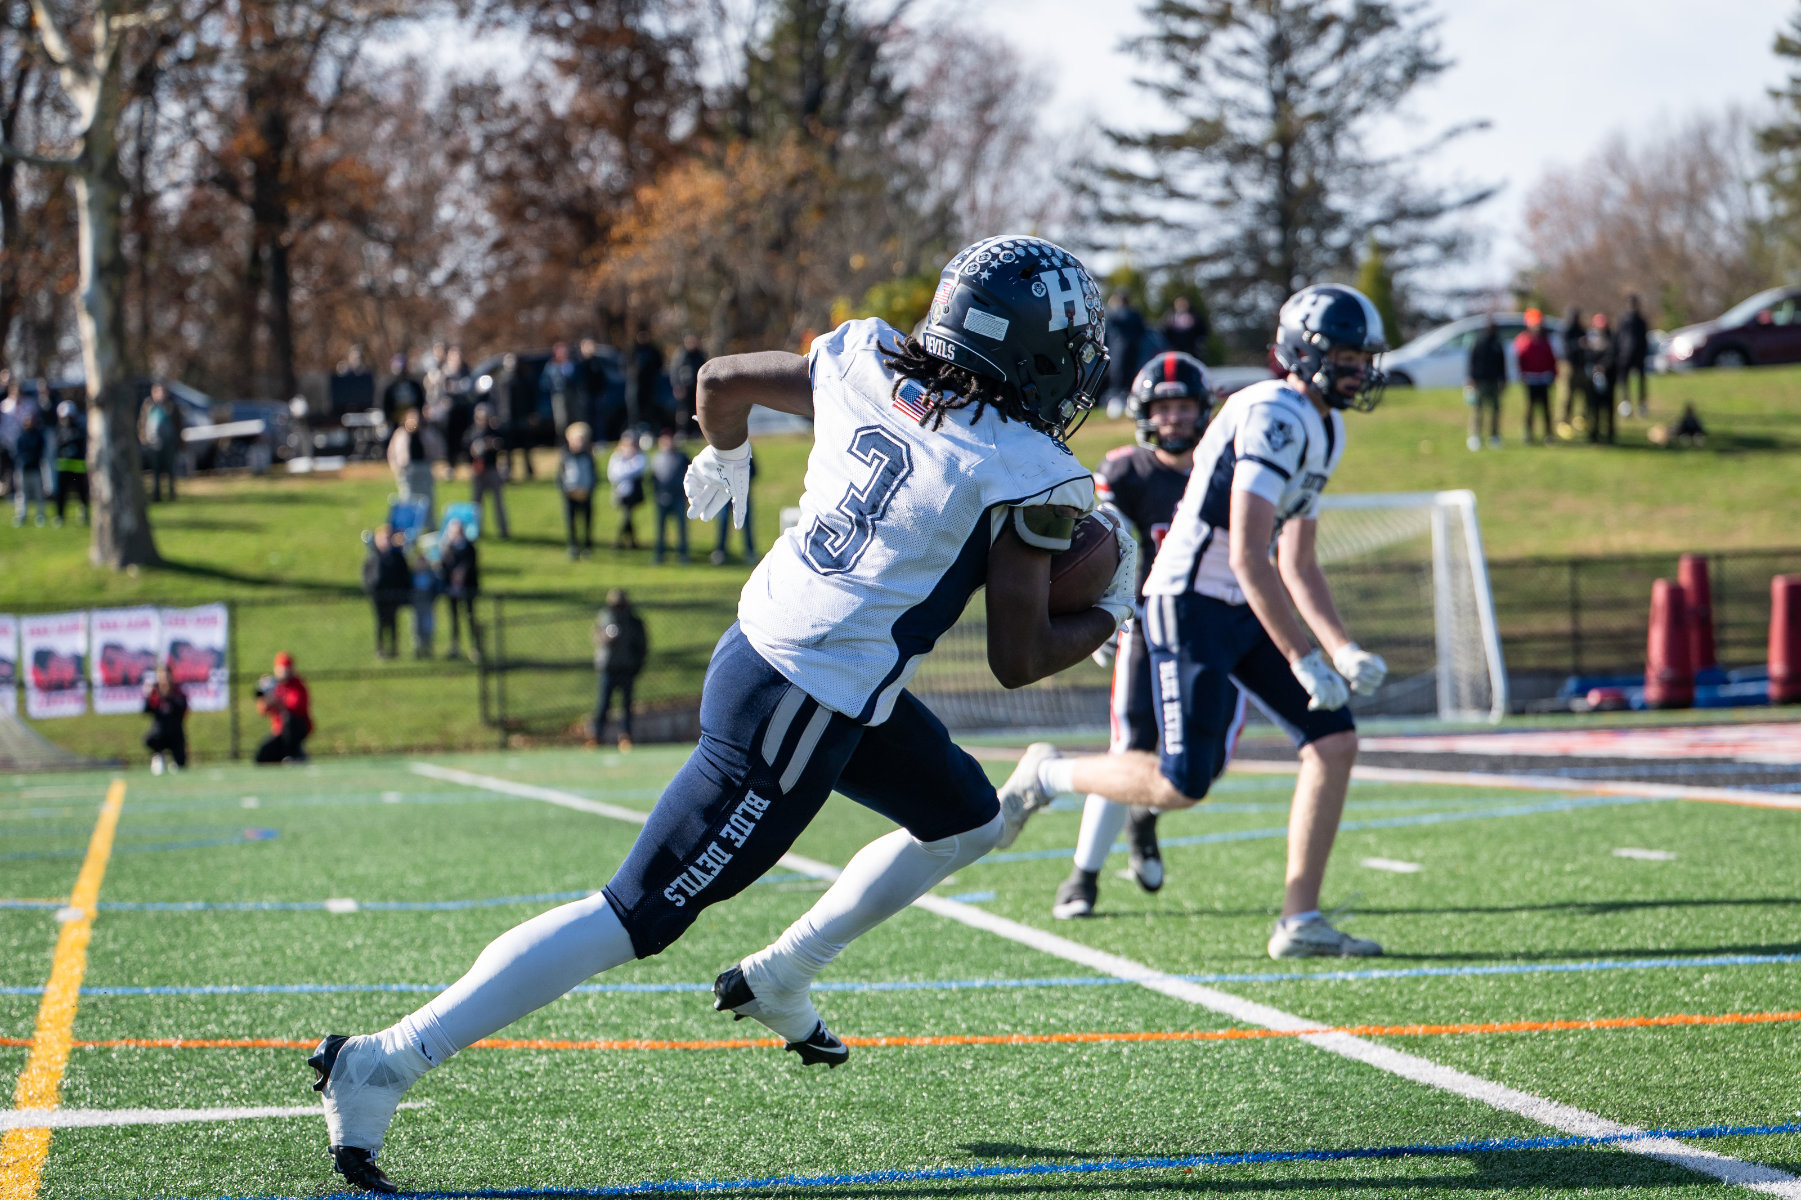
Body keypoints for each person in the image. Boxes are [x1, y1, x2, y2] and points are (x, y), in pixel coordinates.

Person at [307, 234, 1131, 1194]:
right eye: (1068, 348)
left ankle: (785, 972)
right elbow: (1017, 656)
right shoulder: (1025, 464)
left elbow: (719, 379)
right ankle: (385, 1060)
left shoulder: (865, 358)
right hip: (803, 703)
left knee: (968, 820)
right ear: (1030, 351)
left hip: (774, 650)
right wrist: (1114, 606)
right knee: (635, 914)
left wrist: (725, 456)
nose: (1076, 369)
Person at [1002, 283, 1392, 960]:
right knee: (1182, 782)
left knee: (1333, 741)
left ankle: (1299, 920)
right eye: (1349, 356)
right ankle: (1048, 774)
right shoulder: (1273, 413)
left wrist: (1342, 647)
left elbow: (1295, 562)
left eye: (1365, 357)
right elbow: (1246, 553)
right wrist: (1303, 659)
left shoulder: (1325, 425)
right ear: (1305, 354)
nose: (1361, 370)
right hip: (1186, 601)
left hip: (1242, 603)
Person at [1052, 351, 1213, 921]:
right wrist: (1108, 613)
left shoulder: (1223, 471)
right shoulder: (1126, 471)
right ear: (1147, 413)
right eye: (1163, 407)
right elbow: (1108, 547)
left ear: (1202, 410)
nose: (1173, 418)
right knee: (1128, 749)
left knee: (1202, 765)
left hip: (1211, 629)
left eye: (1184, 406)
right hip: (1145, 626)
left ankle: (1144, 817)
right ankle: (1084, 878)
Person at [590, 588, 647, 751]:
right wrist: (606, 638)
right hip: (608, 667)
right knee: (603, 704)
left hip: (627, 668)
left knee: (626, 706)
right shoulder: (605, 617)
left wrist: (637, 664)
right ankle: (597, 735)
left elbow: (642, 645)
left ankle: (625, 736)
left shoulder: (634, 621)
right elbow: (596, 636)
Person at [363, 525, 411, 659]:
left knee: (394, 621)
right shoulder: (373, 557)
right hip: (378, 596)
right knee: (380, 622)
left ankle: (394, 648)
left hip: (394, 595)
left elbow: (405, 575)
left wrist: (403, 592)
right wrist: (370, 590)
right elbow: (367, 576)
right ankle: (380, 648)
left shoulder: (397, 557)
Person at [255, 651, 311, 764]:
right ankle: (284, 755)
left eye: (286, 668)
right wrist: (266, 699)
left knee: (289, 719)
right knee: (262, 756)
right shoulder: (275, 686)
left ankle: (295, 753)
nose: (283, 672)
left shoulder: (297, 685)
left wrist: (278, 702)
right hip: (279, 731)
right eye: (281, 668)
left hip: (297, 727)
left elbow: (295, 708)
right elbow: (262, 710)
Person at [437, 518, 481, 661]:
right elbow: (443, 568)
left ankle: (476, 647)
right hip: (452, 591)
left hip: (468, 589)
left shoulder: (470, 547)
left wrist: (462, 574)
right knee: (454, 618)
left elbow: (472, 566)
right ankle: (455, 646)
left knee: (470, 617)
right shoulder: (447, 548)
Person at [463, 404, 509, 539]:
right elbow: (465, 449)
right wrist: (472, 450)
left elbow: (504, 443)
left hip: (492, 469)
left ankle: (503, 530)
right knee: (476, 503)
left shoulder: (494, 430)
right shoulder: (472, 432)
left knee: (498, 502)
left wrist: (492, 444)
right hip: (477, 471)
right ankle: (475, 530)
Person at [1514, 309, 1558, 445]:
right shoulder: (1523, 340)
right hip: (1530, 379)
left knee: (1546, 408)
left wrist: (1553, 374)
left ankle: (1548, 435)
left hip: (1544, 379)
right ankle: (1528, 435)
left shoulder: (1545, 340)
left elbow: (1552, 359)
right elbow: (1520, 359)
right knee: (1530, 409)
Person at [387, 408, 435, 531]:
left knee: (427, 499)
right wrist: (396, 467)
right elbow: (392, 452)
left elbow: (435, 447)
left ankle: (429, 526)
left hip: (423, 468)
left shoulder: (425, 433)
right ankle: (407, 528)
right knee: (407, 499)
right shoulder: (400, 434)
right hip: (407, 470)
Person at [1464, 315, 1506, 451]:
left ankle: (1494, 435)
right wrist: (1471, 378)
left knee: (1495, 410)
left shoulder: (1497, 343)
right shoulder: (1479, 342)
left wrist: (1503, 379)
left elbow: (1502, 364)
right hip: (1480, 381)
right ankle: (1475, 436)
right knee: (1478, 409)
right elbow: (1472, 361)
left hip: (1494, 381)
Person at [649, 429, 690, 564]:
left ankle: (683, 554)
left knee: (681, 528)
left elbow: (690, 477)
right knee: (661, 529)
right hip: (661, 497)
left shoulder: (682, 457)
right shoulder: (656, 458)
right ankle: (660, 554)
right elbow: (652, 479)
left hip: (679, 497)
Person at [710, 454, 757, 565]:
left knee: (746, 524)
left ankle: (749, 551)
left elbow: (754, 472)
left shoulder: (746, 453)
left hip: (741, 495)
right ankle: (721, 551)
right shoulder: (720, 453)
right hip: (725, 495)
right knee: (723, 523)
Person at [558, 422, 596, 559]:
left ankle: (587, 546)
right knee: (571, 522)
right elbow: (560, 476)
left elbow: (593, 475)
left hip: (585, 493)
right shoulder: (565, 455)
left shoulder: (588, 456)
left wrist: (589, 489)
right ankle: (573, 546)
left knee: (587, 521)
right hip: (570, 494)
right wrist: (566, 490)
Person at [495, 352, 535, 479]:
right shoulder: (501, 379)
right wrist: (496, 415)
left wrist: (531, 414)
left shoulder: (523, 378)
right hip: (506, 417)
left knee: (525, 445)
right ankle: (508, 472)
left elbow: (530, 398)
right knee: (507, 447)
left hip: (521, 416)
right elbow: (496, 399)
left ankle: (529, 471)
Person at [142, 664, 188, 774]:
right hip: (160, 733)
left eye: (166, 676)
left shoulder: (177, 691)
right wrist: (149, 697)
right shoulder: (154, 692)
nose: (164, 679)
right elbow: (146, 711)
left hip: (175, 733)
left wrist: (170, 699)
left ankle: (173, 759)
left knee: (181, 764)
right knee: (150, 739)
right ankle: (158, 754)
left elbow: (183, 710)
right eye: (161, 676)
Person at [140, 382, 182, 503]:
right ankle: (156, 496)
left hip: (169, 444)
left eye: (163, 391)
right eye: (157, 391)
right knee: (155, 472)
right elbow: (142, 424)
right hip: (153, 445)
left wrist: (179, 443)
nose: (160, 394)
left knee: (170, 471)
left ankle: (171, 495)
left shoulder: (171, 406)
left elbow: (179, 425)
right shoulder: (148, 406)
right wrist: (144, 439)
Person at [51, 400, 88, 526]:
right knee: (61, 493)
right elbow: (58, 446)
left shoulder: (79, 429)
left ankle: (83, 513)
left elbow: (81, 444)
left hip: (77, 467)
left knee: (81, 492)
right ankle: (60, 516)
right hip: (63, 467)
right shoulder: (58, 430)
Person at [1583, 312, 1618, 445]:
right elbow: (1587, 356)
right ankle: (1594, 434)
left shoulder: (1611, 339)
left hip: (1609, 379)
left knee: (1608, 409)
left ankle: (1610, 434)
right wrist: (1594, 369)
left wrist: (1603, 367)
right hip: (1593, 380)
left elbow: (1613, 356)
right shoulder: (1590, 339)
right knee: (1594, 408)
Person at [607, 433, 646, 550]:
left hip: (634, 493)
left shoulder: (639, 457)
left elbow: (637, 469)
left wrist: (624, 470)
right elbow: (613, 474)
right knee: (627, 516)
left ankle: (621, 542)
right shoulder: (616, 457)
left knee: (627, 515)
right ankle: (631, 542)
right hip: (620, 493)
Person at [12, 405, 46, 527]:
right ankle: (21, 516)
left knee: (38, 494)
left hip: (35, 468)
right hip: (23, 469)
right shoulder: (21, 436)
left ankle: (40, 515)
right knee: (21, 494)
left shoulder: (38, 435)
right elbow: (18, 452)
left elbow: (40, 451)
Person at [1617, 293, 1651, 417]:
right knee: (1624, 382)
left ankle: (1642, 405)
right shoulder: (1623, 320)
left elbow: (1644, 338)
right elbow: (1619, 338)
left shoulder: (1641, 321)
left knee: (1641, 382)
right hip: (1625, 356)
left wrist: (1644, 352)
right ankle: (1626, 404)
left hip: (1639, 355)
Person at [540, 341, 581, 439]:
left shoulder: (573, 364)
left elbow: (579, 379)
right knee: (562, 421)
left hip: (572, 395)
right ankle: (563, 442)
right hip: (559, 396)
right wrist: (555, 384)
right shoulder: (551, 366)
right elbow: (544, 382)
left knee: (575, 419)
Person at [1557, 305, 1586, 437]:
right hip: (1568, 366)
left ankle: (1580, 419)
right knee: (1567, 395)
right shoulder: (1566, 330)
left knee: (1583, 393)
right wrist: (1578, 344)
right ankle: (1563, 421)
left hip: (1581, 366)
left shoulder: (1581, 330)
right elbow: (1566, 348)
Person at [671, 333, 708, 437]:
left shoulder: (700, 355)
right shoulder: (681, 356)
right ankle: (682, 432)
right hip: (683, 389)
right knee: (683, 412)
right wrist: (677, 386)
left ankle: (696, 432)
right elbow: (675, 371)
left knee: (697, 410)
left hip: (696, 388)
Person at [630, 327, 666, 429]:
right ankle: (635, 426)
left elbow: (659, 364)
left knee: (649, 407)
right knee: (635, 407)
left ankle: (649, 426)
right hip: (636, 384)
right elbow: (626, 365)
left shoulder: (652, 351)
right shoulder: (633, 350)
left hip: (650, 384)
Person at [380, 354, 424, 427]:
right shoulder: (388, 386)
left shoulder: (415, 385)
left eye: (404, 369)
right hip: (394, 423)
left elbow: (420, 403)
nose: (402, 373)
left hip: (413, 424)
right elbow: (384, 405)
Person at [1161, 294, 1208, 359]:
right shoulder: (1170, 317)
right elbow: (1164, 332)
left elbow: (1202, 330)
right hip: (1175, 349)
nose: (1181, 306)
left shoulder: (1194, 317)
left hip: (1191, 349)